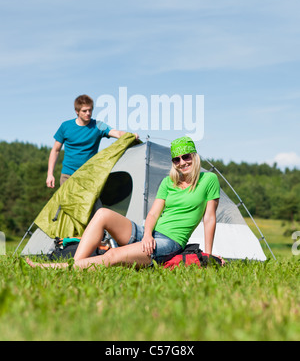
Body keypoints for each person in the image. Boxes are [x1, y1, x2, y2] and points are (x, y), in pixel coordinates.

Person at [27, 136, 220, 270]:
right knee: (102, 214)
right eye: (176, 159)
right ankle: (77, 264)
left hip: (169, 243)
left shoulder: (209, 180)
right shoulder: (168, 182)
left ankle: (57, 267)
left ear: (194, 156)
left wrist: (208, 256)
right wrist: (146, 235)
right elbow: (152, 214)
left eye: (186, 157)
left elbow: (210, 218)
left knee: (111, 256)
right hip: (149, 235)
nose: (182, 163)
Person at [46, 94, 138, 188]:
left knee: (95, 203)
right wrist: (50, 174)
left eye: (90, 110)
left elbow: (116, 133)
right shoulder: (65, 126)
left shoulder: (98, 125)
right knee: (69, 203)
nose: (88, 113)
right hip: (68, 176)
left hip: (89, 175)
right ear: (77, 111)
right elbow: (55, 150)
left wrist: (129, 135)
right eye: (84, 111)